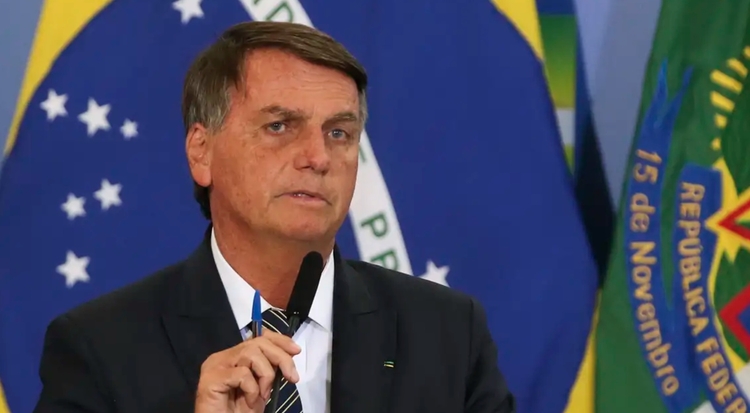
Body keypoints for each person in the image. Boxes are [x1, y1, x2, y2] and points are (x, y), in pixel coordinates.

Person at [32, 21, 515, 413]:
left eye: (339, 133)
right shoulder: (100, 349)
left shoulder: (448, 334)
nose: (317, 157)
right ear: (201, 152)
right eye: (280, 126)